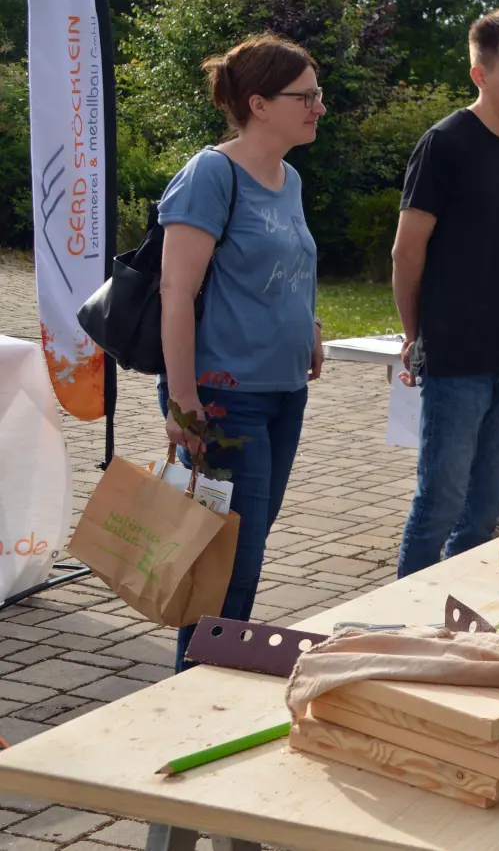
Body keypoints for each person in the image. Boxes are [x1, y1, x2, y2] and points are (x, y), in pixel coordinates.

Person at [157, 33, 326, 670]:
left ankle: (201, 680)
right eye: (305, 96)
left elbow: (286, 265)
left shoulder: (290, 178)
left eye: (317, 95)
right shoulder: (212, 174)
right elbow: (176, 291)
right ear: (259, 103)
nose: (318, 107)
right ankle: (195, 689)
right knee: (229, 567)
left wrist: (310, 323)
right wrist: (183, 400)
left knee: (239, 553)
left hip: (284, 393)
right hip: (225, 400)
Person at [391, 9, 499, 578]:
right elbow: (406, 252)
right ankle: (408, 614)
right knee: (440, 502)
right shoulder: (445, 144)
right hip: (456, 355)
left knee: (486, 509)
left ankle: (459, 611)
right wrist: (416, 335)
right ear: (480, 74)